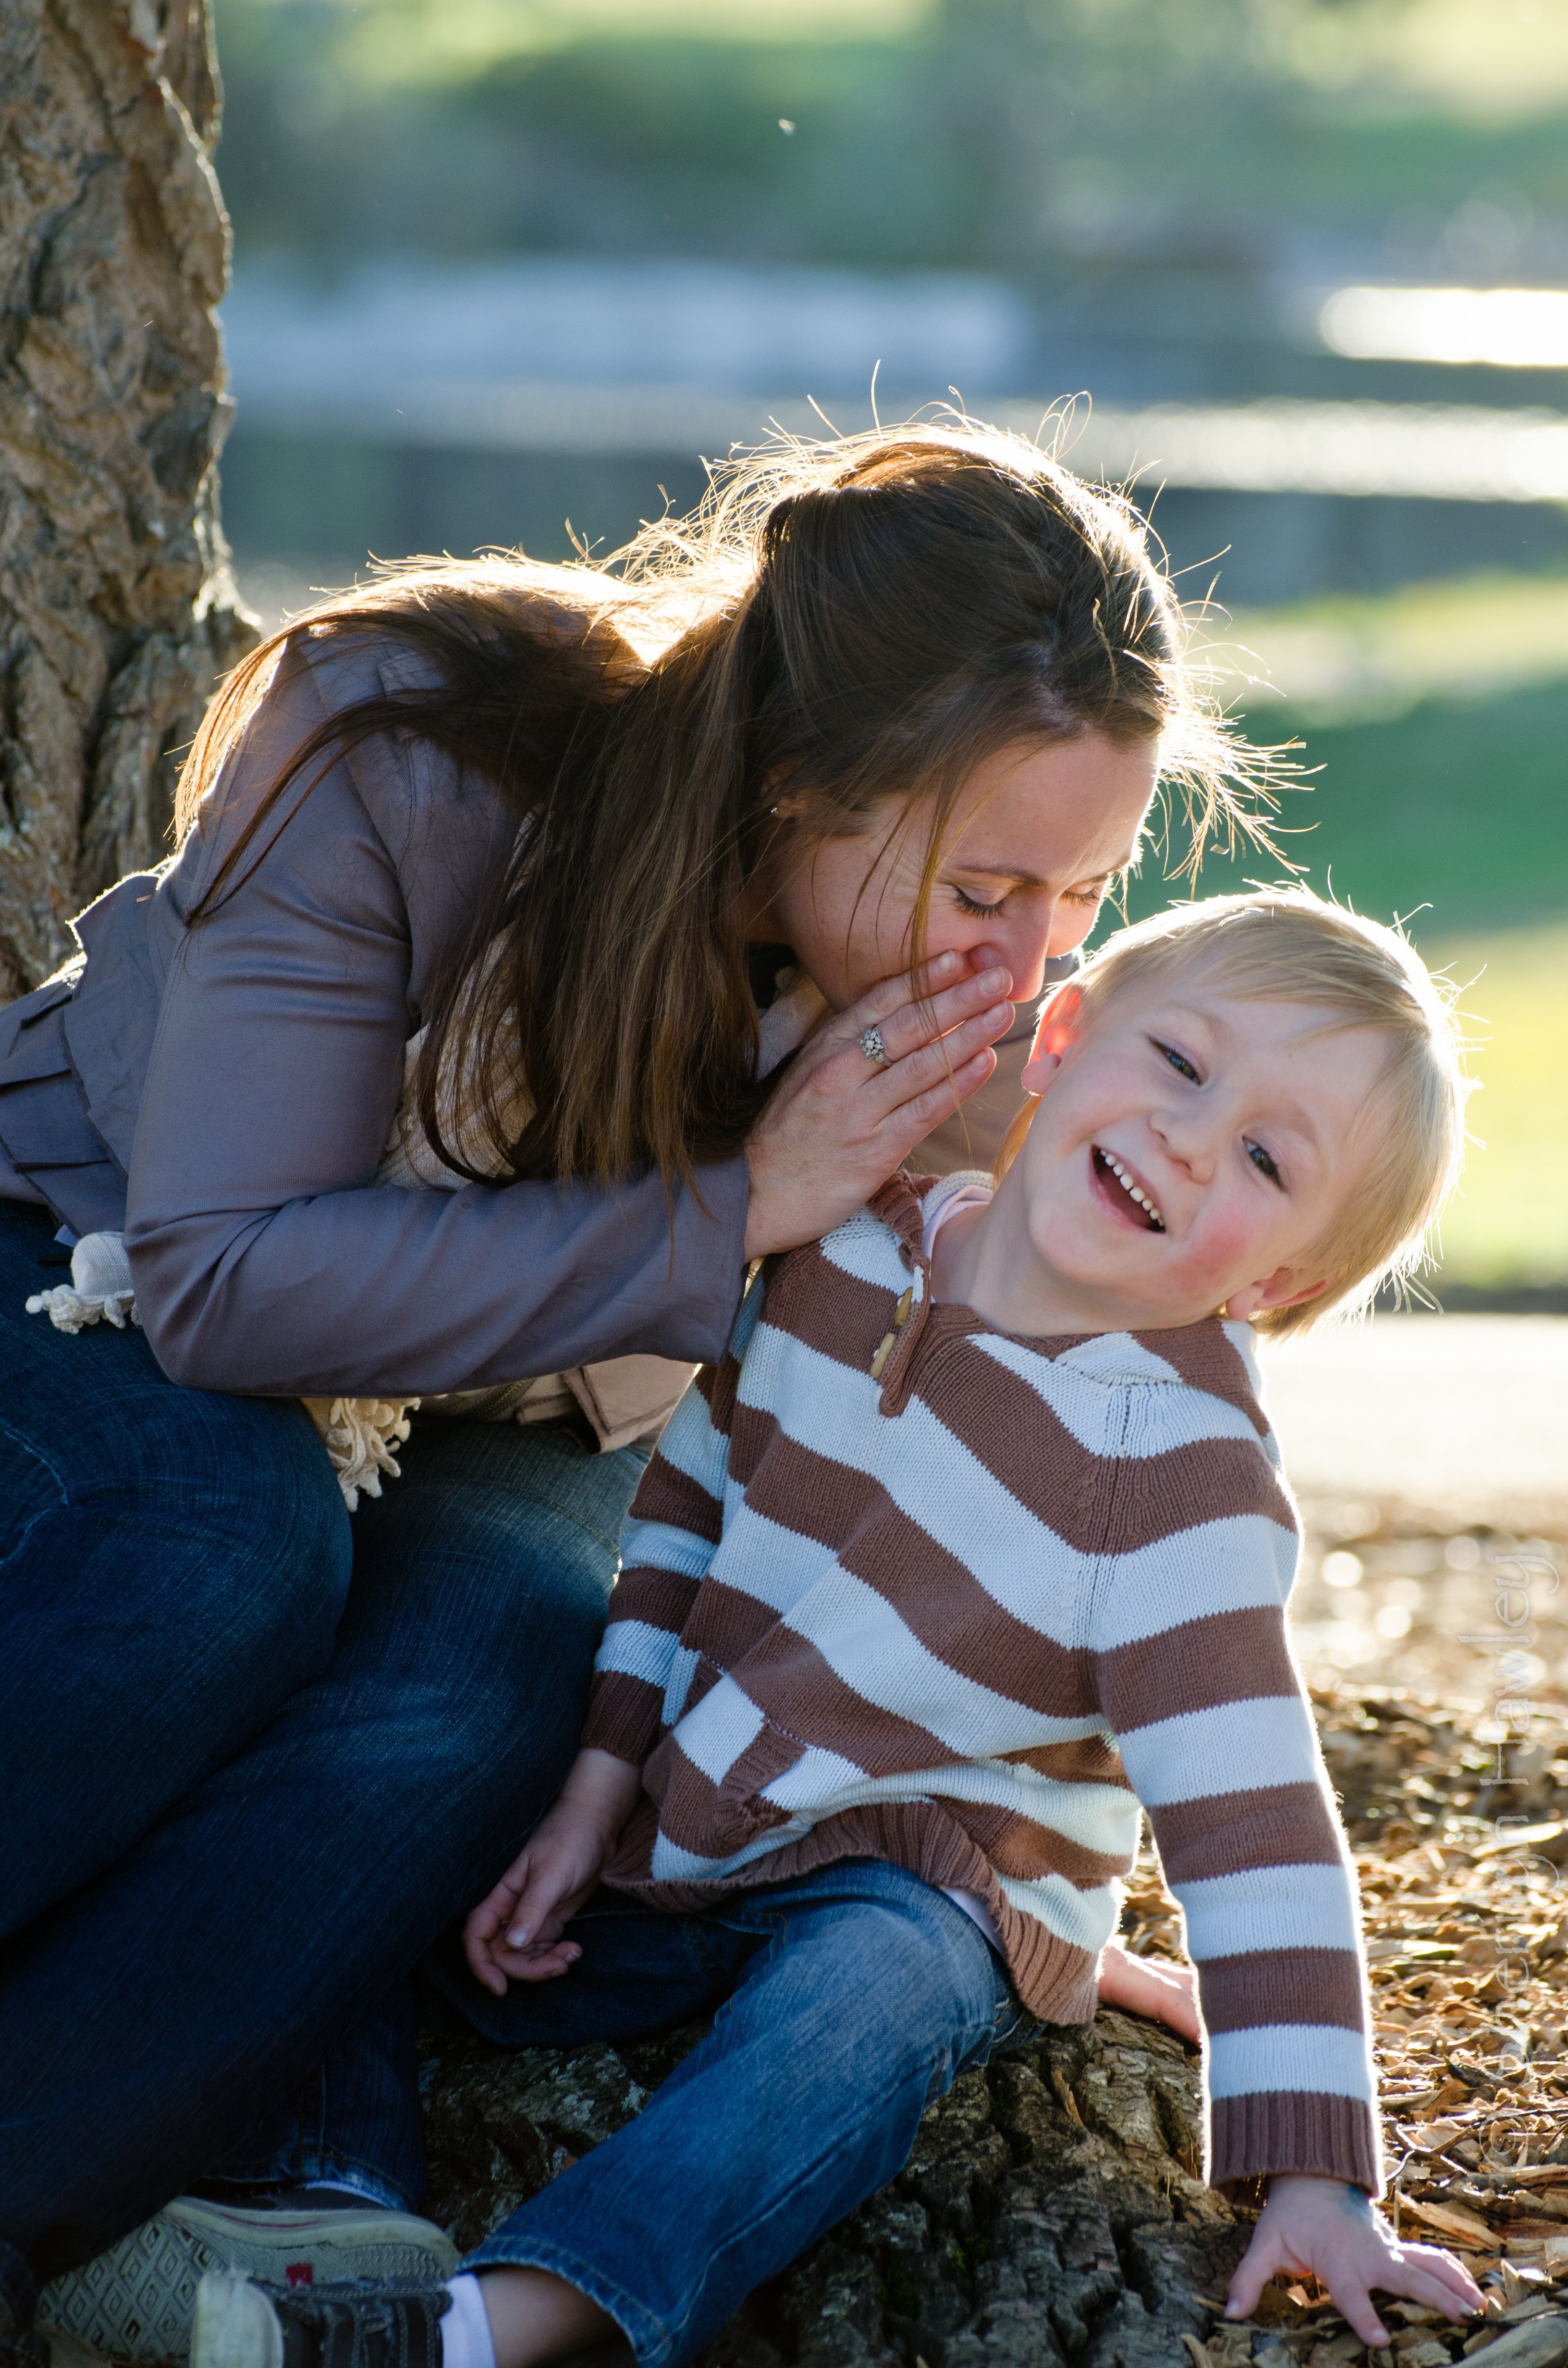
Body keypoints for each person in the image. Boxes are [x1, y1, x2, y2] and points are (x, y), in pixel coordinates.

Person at [0, 424, 1259, 2360]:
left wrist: (1035, 1854)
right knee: (223, 1553)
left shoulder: (964, 1010)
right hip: (90, 1269)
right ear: (793, 784)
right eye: (991, 884)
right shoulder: (410, 742)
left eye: (1079, 894)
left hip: (541, 1409)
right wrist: (748, 1196)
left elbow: (1075, 1445)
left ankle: (51, 2174)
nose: (1030, 966)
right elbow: (222, 1274)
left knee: (511, 1660)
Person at [192, 889, 1482, 2368]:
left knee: (879, 1995)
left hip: (934, 1869)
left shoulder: (1177, 1485)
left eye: (1265, 1156)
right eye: (1181, 1063)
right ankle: (328, 2185)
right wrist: (594, 1783)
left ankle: (498, 2320)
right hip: (693, 1800)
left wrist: (1319, 2175)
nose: (1194, 1137)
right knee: (406, 1786)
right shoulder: (854, 1249)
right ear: (1061, 1039)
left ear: (1276, 1285)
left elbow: (1256, 1828)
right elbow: (685, 1505)